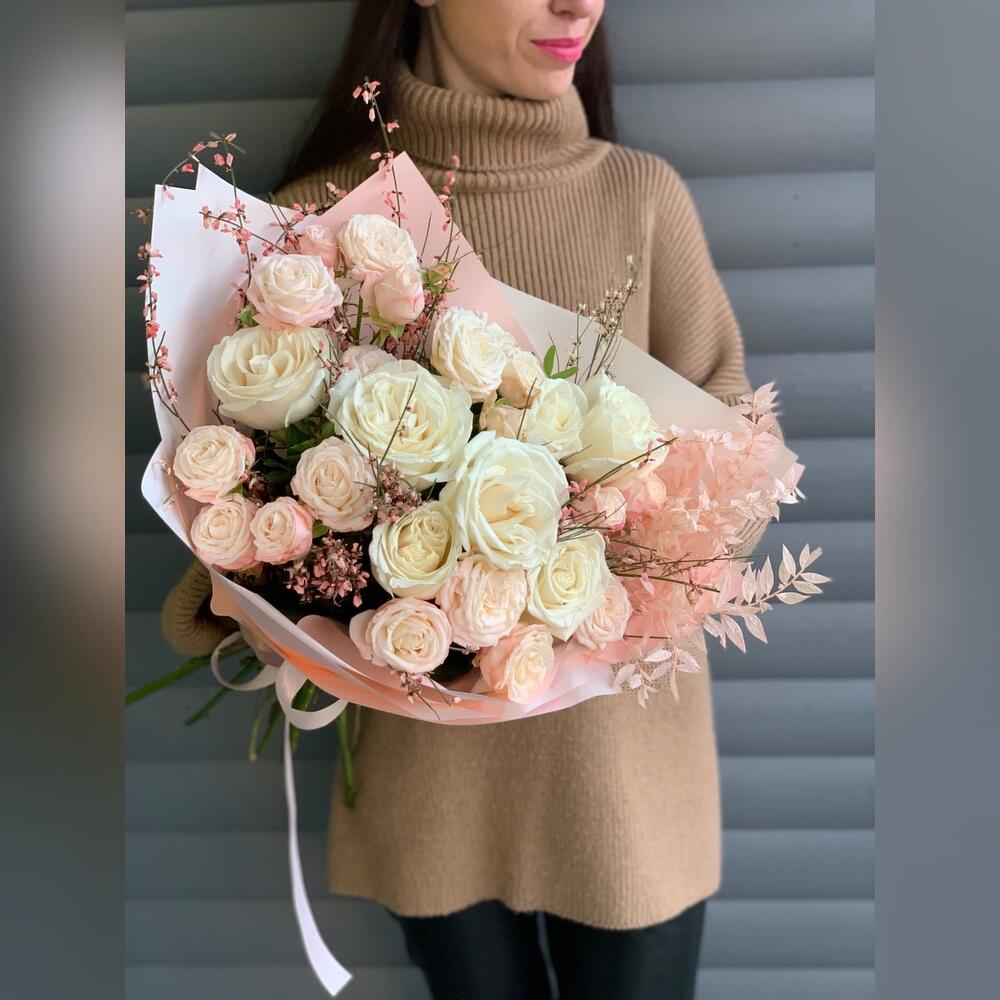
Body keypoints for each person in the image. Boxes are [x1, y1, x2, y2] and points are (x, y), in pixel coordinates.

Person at [161, 1, 780, 996]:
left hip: (624, 784)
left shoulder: (637, 197)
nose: (579, 4)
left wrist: (606, 550)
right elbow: (235, 500)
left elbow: (740, 455)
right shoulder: (321, 225)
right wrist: (278, 564)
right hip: (430, 793)